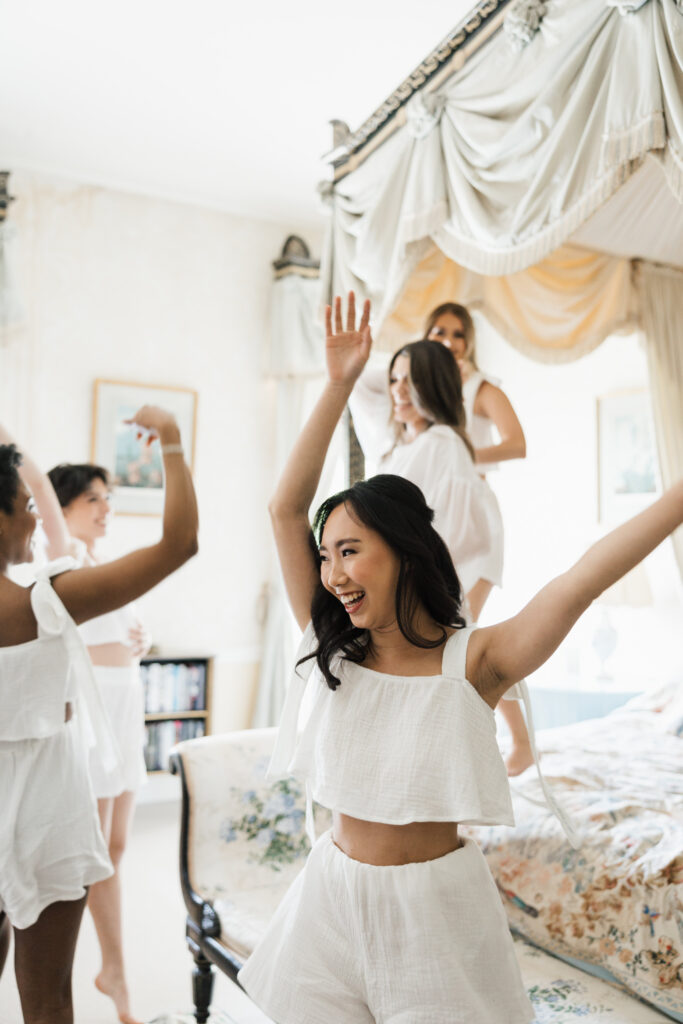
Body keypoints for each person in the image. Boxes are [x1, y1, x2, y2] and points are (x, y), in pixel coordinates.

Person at [237, 293, 683, 1023]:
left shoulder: (473, 662)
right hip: (330, 896)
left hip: (435, 916)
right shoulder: (334, 650)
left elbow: (582, 577)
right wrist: (341, 381)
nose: (332, 574)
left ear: (405, 553)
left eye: (350, 551)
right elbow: (285, 508)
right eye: (324, 558)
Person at [0, 406, 198, 1024]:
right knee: (50, 998)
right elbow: (180, 544)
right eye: (25, 507)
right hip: (43, 811)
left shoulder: (47, 595)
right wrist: (170, 442)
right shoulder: (45, 602)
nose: (35, 516)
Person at [46, 462, 151, 1024]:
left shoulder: (100, 562)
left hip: (125, 701)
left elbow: (120, 633)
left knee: (116, 847)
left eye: (108, 498)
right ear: (63, 509)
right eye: (94, 500)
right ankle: (116, 974)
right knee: (95, 852)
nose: (107, 508)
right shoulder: (62, 557)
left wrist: (142, 636)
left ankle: (111, 969)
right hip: (95, 707)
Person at [425, 302, 532, 773]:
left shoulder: (480, 388)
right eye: (439, 330)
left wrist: (465, 449)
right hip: (437, 525)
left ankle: (519, 741)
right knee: (449, 636)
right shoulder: (423, 390)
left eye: (458, 333)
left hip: (478, 522)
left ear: (468, 341)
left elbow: (517, 442)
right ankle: (470, 743)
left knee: (460, 632)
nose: (448, 340)